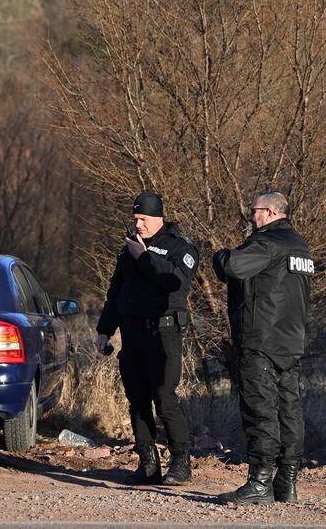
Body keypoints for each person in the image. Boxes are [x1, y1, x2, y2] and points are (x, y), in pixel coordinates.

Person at [212, 191, 313, 505]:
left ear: (268, 213)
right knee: (289, 412)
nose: (249, 217)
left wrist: (220, 254)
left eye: (252, 211)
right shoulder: (301, 247)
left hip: (262, 341)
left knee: (261, 412)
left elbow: (231, 267)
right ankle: (287, 481)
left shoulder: (267, 244)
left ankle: (259, 483)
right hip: (291, 342)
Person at [96, 192, 199, 486]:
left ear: (158, 218)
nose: (138, 224)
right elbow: (115, 293)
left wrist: (144, 257)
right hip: (132, 333)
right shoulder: (128, 250)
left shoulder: (181, 248)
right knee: (137, 400)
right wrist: (104, 330)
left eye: (143, 219)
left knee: (165, 398)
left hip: (164, 333)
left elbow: (174, 281)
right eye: (135, 218)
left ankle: (181, 463)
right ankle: (148, 464)